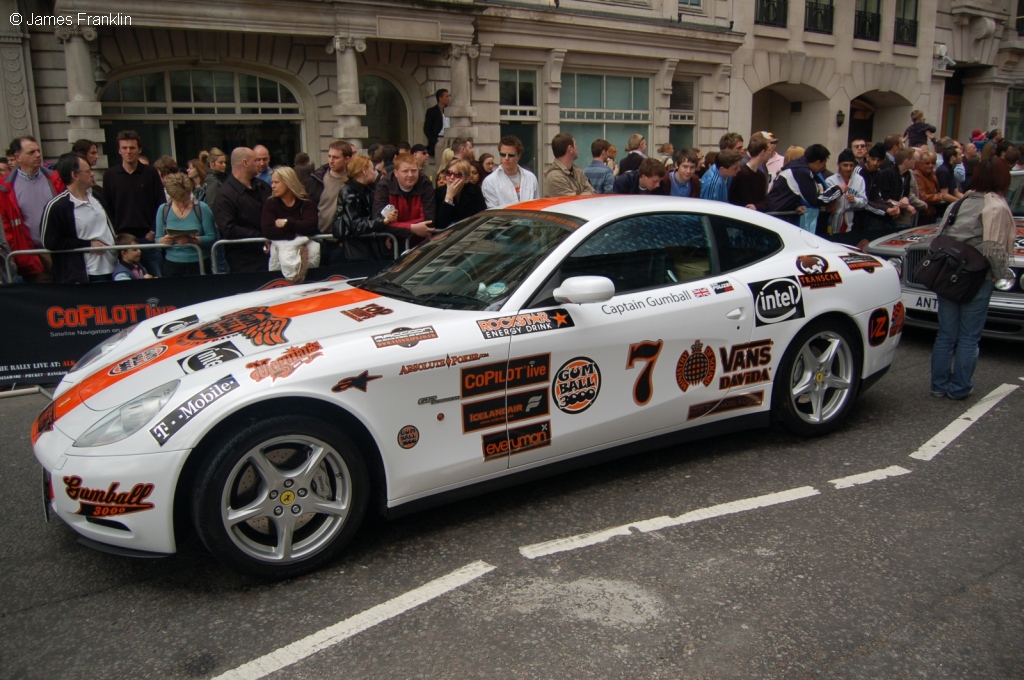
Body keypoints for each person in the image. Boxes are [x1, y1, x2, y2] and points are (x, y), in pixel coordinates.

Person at [930, 158, 1016, 401]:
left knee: (946, 334)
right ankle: (959, 388)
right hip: (978, 277)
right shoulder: (996, 207)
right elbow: (994, 249)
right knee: (969, 337)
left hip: (948, 274)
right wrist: (999, 276)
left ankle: (938, 385)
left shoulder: (960, 203)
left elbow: (941, 235)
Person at [41, 152, 116, 283]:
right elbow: (50, 242)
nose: (92, 174)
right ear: (75, 175)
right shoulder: (57, 206)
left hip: (113, 267)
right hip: (86, 273)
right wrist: (87, 244)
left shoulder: (97, 197)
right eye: (88, 171)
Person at [102, 130, 166, 277]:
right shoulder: (110, 175)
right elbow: (107, 208)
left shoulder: (150, 173)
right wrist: (116, 234)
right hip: (124, 240)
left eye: (132, 148)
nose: (128, 151)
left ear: (139, 149)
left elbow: (161, 204)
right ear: (119, 150)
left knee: (157, 278)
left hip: (147, 239)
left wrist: (153, 231)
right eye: (124, 148)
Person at [0, 136, 64, 281]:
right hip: (32, 255)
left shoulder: (55, 179)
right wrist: (19, 252)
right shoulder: (5, 187)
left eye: (38, 151)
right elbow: (6, 225)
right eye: (31, 152)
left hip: (61, 251)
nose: (37, 155)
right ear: (18, 157)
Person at [212, 146, 271, 272]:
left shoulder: (263, 187)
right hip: (243, 262)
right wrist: (260, 237)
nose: (259, 164)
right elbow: (228, 229)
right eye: (255, 160)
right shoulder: (225, 194)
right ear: (245, 163)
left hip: (270, 258)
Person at [333, 155, 397, 262]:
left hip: (373, 248)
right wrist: (382, 222)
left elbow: (374, 215)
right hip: (356, 252)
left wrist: (386, 218)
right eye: (372, 169)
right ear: (364, 171)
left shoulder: (370, 190)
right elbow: (356, 225)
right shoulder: (347, 192)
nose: (375, 172)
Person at [156, 172, 216, 277]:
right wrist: (163, 240)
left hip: (198, 263)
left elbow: (211, 237)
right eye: (178, 200)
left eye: (186, 197)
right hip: (172, 264)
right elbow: (158, 238)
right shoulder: (163, 209)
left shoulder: (202, 208)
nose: (182, 203)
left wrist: (192, 240)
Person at [373, 152, 435, 243]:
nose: (410, 175)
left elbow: (428, 220)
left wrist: (397, 228)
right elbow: (379, 221)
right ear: (396, 173)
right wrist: (412, 228)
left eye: (414, 170)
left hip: (419, 242)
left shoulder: (425, 183)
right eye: (405, 171)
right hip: (392, 245)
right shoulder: (384, 185)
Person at [766, 144, 841, 220]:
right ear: (818, 162)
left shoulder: (796, 167)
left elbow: (786, 193)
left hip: (776, 213)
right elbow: (816, 200)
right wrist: (838, 189)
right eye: (824, 163)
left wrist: (794, 206)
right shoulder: (802, 172)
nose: (824, 167)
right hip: (776, 216)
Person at [481, 135, 540, 208]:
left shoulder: (531, 178)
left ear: (519, 156)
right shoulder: (490, 182)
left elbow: (537, 206)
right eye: (503, 154)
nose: (506, 158)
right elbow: (493, 212)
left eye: (511, 155)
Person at [878, 147, 926, 226]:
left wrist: (905, 198)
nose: (915, 161)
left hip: (900, 215)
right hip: (887, 217)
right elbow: (884, 198)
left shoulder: (907, 174)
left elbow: (906, 193)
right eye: (913, 159)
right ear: (907, 161)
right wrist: (906, 206)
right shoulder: (888, 173)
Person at [825, 149, 868, 236]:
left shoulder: (859, 179)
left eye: (851, 165)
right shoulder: (830, 180)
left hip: (852, 225)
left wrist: (855, 200)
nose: (848, 168)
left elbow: (864, 201)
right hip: (833, 223)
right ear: (838, 165)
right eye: (845, 165)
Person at [434, 159, 487, 230]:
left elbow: (480, 218)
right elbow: (440, 224)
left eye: (457, 175)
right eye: (449, 173)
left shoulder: (474, 191)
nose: (452, 177)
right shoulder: (438, 193)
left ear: (467, 179)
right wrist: (448, 198)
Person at [543, 133, 595, 198]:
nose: (577, 147)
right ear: (570, 148)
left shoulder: (577, 171)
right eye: (575, 144)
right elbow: (572, 203)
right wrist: (584, 194)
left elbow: (592, 191)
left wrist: (579, 196)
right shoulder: (555, 177)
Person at [729, 137, 770, 210]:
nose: (770, 154)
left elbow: (765, 201)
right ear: (762, 152)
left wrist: (756, 206)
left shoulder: (761, 176)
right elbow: (744, 202)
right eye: (768, 151)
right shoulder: (742, 174)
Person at [913, 150, 952, 225]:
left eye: (933, 163)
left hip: (931, 211)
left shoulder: (932, 174)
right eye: (927, 163)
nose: (930, 165)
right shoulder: (917, 175)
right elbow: (922, 196)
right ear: (921, 163)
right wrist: (940, 197)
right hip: (922, 213)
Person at [424, 88, 450, 159]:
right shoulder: (432, 111)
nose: (448, 98)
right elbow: (427, 129)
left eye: (449, 96)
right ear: (440, 98)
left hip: (450, 139)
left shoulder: (449, 110)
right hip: (439, 140)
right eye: (446, 96)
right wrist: (435, 141)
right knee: (440, 163)